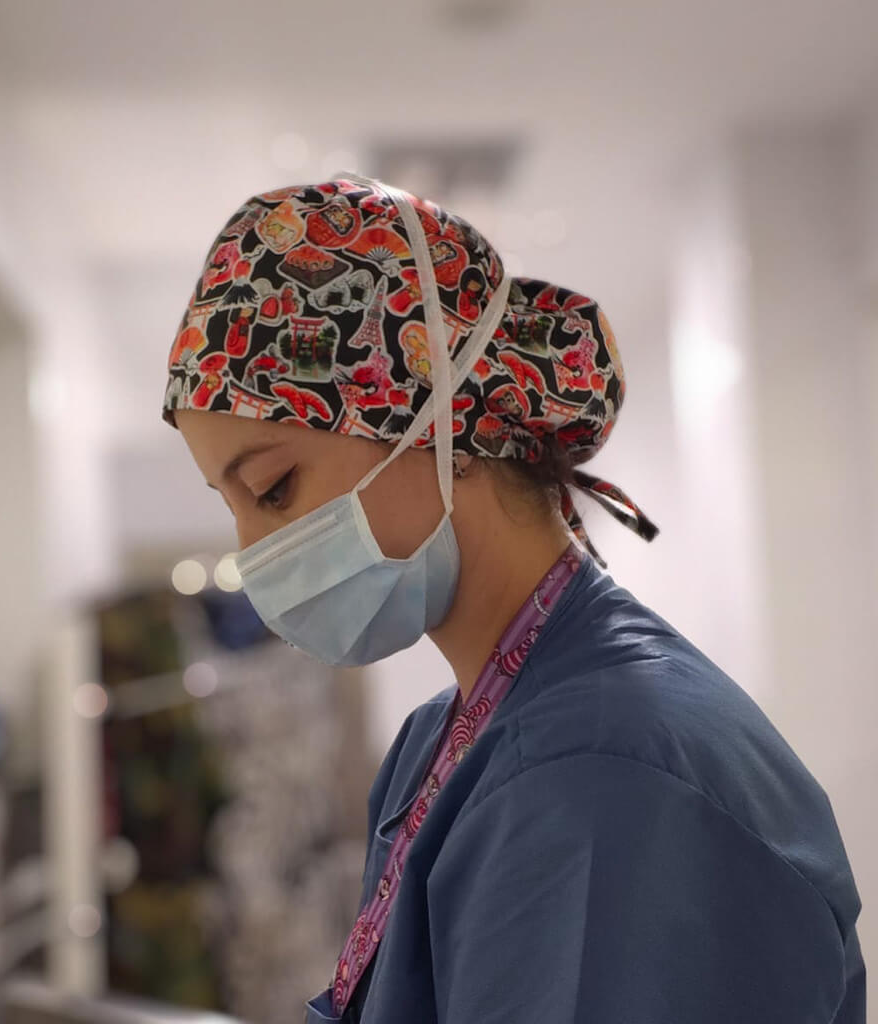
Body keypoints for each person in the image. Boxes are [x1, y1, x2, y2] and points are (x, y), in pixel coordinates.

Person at [161, 173, 866, 1023]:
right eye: (231, 506)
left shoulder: (597, 777)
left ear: (441, 424)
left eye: (273, 489)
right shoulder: (445, 741)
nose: (254, 553)